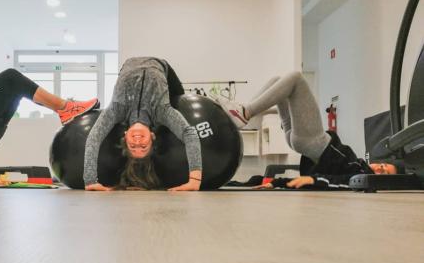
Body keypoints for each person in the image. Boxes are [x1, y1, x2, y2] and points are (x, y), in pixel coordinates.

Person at [214, 71, 400, 189]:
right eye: (383, 166)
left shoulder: (362, 176)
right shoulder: (360, 165)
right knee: (278, 81)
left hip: (315, 143)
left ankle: (245, 113)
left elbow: (342, 182)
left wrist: (315, 181)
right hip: (302, 141)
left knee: (296, 79)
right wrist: (276, 183)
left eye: (384, 173)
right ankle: (243, 114)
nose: (379, 168)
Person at [84, 57, 202, 191]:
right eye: (144, 146)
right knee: (180, 98)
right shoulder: (162, 111)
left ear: (125, 136)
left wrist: (90, 181)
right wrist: (195, 181)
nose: (137, 142)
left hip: (129, 63)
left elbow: (94, 137)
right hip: (159, 64)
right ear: (152, 136)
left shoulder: (115, 110)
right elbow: (189, 134)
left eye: (132, 146)